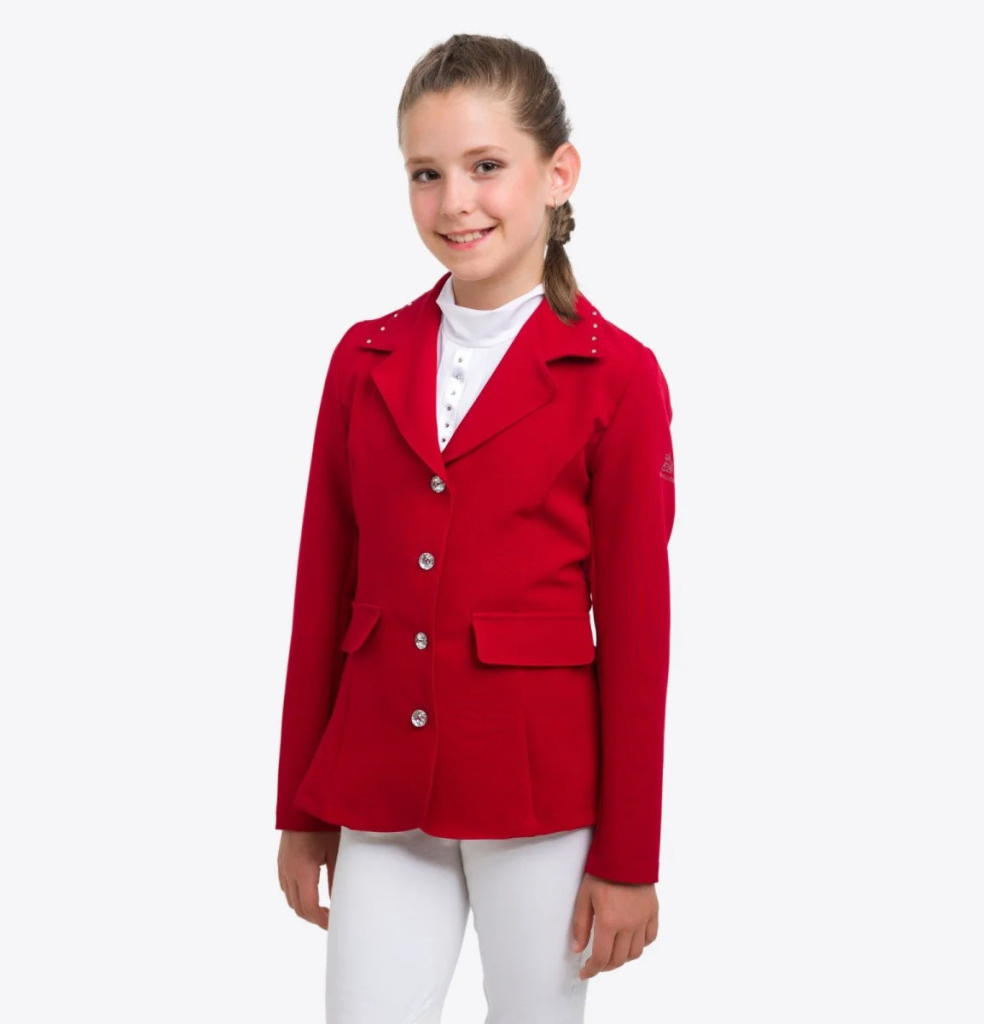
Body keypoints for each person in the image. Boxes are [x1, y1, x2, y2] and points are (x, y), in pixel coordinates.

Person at [275, 33, 676, 1024]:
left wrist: (630, 856)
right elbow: (321, 587)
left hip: (538, 794)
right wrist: (301, 805)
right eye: (426, 173)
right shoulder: (362, 360)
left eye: (486, 166)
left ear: (558, 173)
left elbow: (638, 631)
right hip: (380, 783)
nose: (455, 201)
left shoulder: (619, 378)